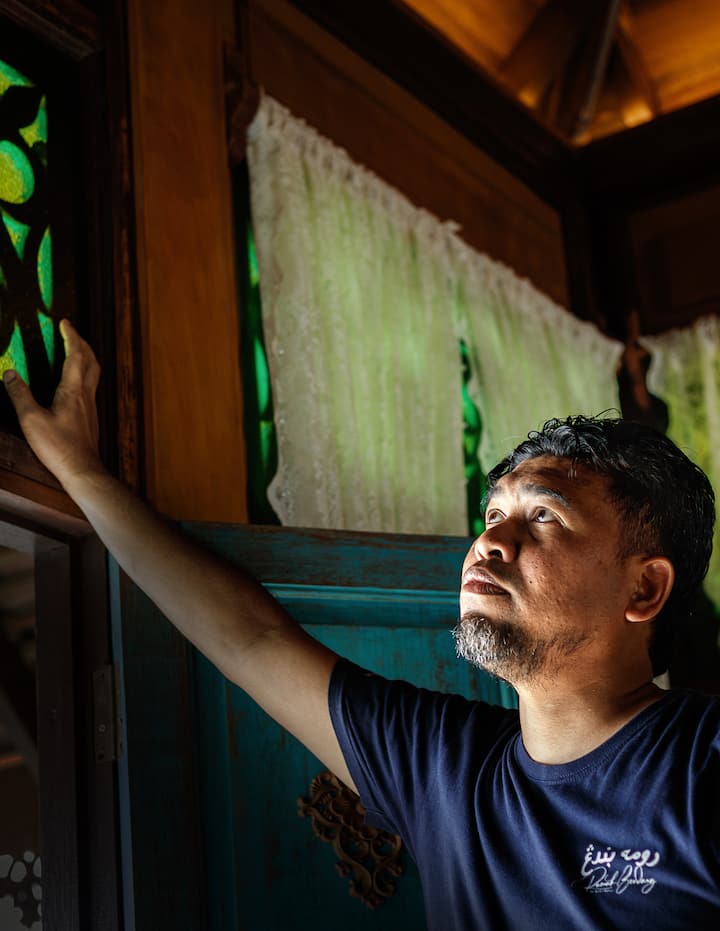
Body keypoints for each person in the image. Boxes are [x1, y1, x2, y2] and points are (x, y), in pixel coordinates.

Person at [4, 320, 720, 929]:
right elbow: (250, 639)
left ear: (644, 586)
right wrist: (76, 468)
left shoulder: (703, 763)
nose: (492, 541)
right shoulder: (443, 768)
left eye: (543, 515)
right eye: (493, 513)